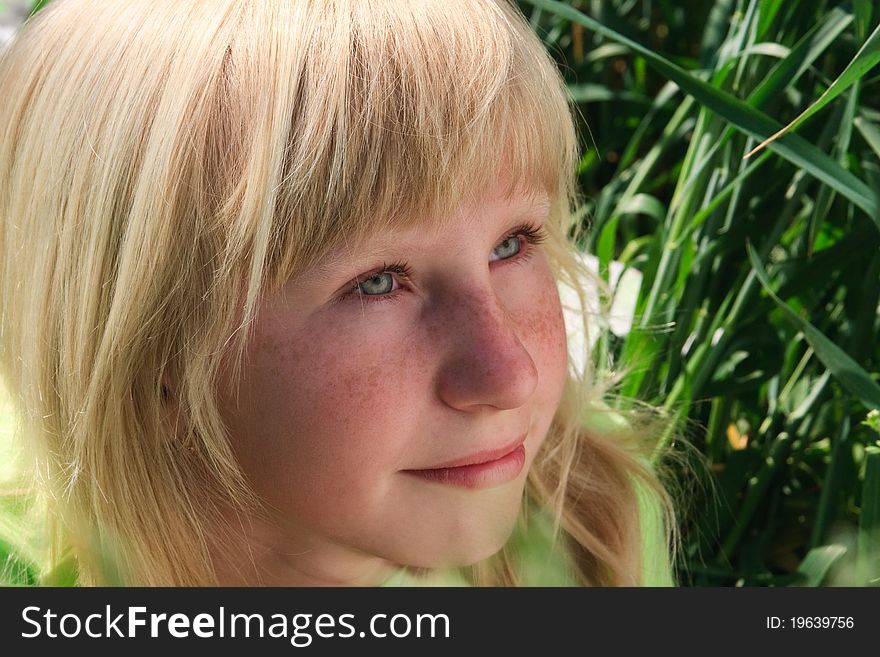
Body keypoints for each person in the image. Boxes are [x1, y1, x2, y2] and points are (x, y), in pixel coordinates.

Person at [0, 0, 686, 586]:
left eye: (512, 243)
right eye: (377, 282)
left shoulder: (592, 526)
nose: (509, 375)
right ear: (151, 366)